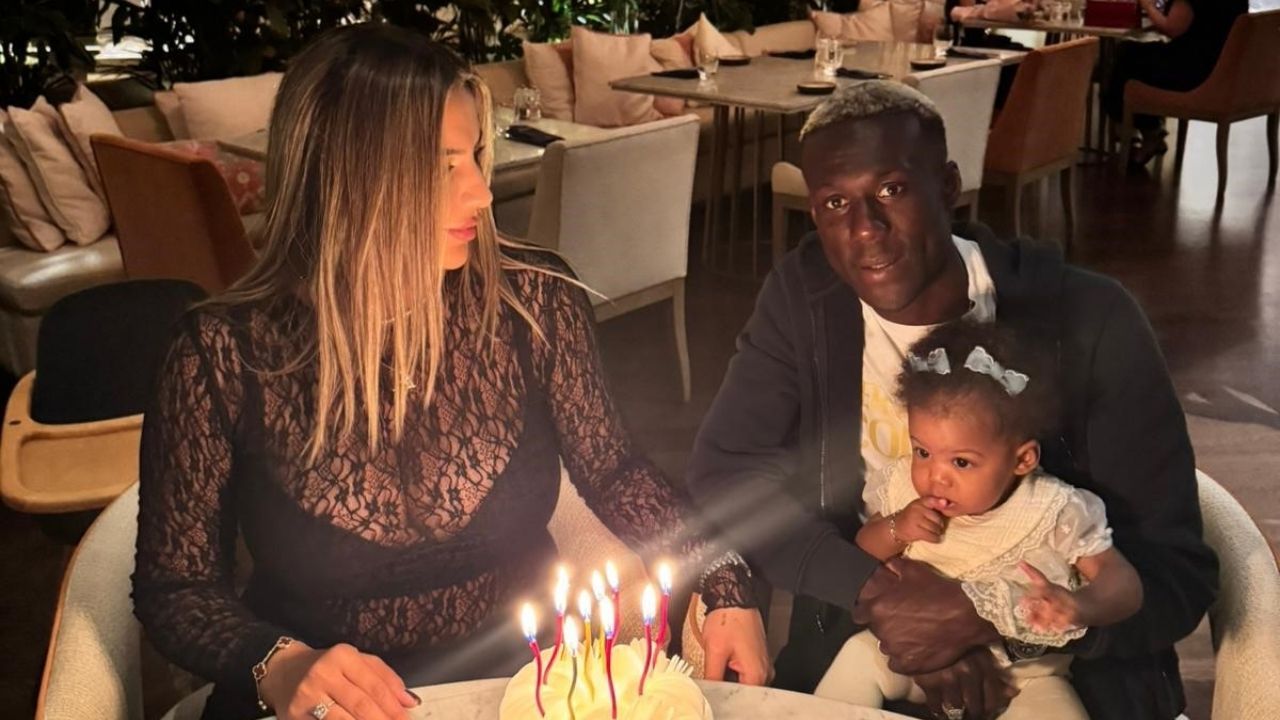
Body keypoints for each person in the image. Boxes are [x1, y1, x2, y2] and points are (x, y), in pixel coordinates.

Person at [132, 24, 768, 720]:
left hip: (516, 687)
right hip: (322, 704)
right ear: (346, 180)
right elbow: (176, 588)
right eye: (443, 167)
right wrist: (276, 664)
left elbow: (615, 471)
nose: (480, 194)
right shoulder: (221, 352)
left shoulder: (534, 302)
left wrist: (723, 576)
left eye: (474, 159)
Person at [687, 82, 1217, 720]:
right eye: (835, 203)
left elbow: (1176, 575)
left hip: (1066, 676)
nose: (865, 228)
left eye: (891, 189)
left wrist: (987, 622)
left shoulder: (1088, 318)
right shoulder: (804, 301)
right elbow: (729, 472)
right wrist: (879, 597)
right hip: (865, 645)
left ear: (948, 187)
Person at [814, 320, 1143, 719]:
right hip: (915, 660)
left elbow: (1123, 583)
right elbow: (862, 552)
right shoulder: (903, 491)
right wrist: (896, 528)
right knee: (858, 657)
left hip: (1024, 678)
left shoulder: (1052, 510)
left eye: (961, 462)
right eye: (922, 452)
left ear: (1023, 459)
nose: (935, 476)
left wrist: (1079, 605)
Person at [1104, 0, 1249, 166]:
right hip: (1221, 74)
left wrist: (1147, 6)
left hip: (1192, 73)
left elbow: (1172, 28)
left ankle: (1147, 131)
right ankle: (1146, 129)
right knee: (1137, 57)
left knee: (1127, 57)